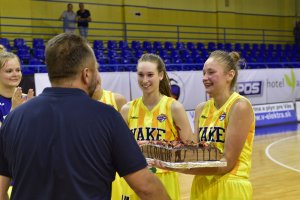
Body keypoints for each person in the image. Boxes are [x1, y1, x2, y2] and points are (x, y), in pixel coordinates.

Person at [0, 33, 170, 200]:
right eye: (96, 68)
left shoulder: (14, 119)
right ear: (86, 74)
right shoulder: (108, 117)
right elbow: (146, 188)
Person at [153, 50, 255, 200]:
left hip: (230, 186)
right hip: (201, 184)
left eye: (211, 72)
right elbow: (195, 152)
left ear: (230, 75)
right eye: (204, 73)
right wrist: (161, 148)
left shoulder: (240, 106)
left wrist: (176, 166)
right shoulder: (201, 108)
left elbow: (226, 163)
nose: (205, 78)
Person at [119, 53, 195, 200]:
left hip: (164, 179)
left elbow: (189, 151)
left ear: (160, 75)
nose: (145, 80)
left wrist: (160, 149)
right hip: (134, 180)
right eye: (141, 75)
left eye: (150, 75)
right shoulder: (127, 109)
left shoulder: (174, 108)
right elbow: (120, 149)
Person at [92, 83, 127, 200]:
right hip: (88, 169)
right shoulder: (76, 103)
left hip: (114, 169)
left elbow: (126, 138)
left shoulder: (117, 99)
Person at [0, 51, 34, 127]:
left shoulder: (28, 99)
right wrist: (14, 111)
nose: (15, 74)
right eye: (9, 71)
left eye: (18, 70)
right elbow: (3, 136)